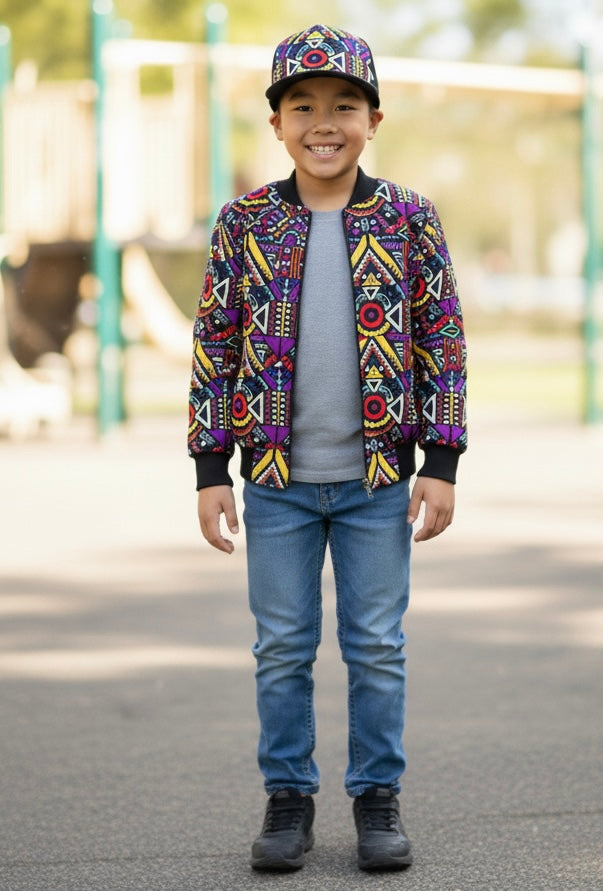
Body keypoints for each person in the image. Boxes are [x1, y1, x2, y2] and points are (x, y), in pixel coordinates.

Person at [188, 23, 467, 872]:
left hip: (376, 482)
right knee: (281, 647)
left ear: (372, 119)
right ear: (276, 122)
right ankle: (288, 798)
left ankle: (377, 797)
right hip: (274, 484)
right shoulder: (243, 223)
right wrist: (209, 468)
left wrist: (441, 462)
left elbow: (441, 342)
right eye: (302, 105)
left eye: (343, 105)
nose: (323, 122)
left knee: (376, 646)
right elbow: (214, 344)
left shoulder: (409, 218)